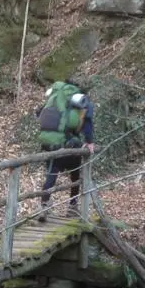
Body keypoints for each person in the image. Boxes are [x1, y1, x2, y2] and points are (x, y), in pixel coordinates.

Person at [36, 83, 94, 221]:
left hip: (50, 145)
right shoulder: (82, 104)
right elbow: (88, 122)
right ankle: (72, 207)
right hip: (69, 146)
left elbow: (38, 114)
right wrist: (89, 141)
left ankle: (44, 206)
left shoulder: (54, 101)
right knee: (75, 175)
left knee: (51, 176)